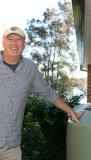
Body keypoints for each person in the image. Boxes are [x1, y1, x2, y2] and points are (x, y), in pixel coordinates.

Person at [0, 26, 82, 160]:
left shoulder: (29, 68)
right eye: (10, 39)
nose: (14, 43)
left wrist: (70, 111)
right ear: (3, 41)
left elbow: (48, 93)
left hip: (12, 146)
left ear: (24, 44)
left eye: (18, 39)